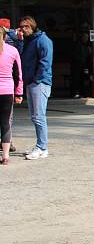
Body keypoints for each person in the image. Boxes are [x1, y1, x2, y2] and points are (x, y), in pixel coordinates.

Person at [17, 15, 53, 160]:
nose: (23, 29)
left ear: (32, 26)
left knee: (39, 117)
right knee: (35, 116)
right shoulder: (29, 40)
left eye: (26, 26)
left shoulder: (42, 40)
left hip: (40, 83)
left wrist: (37, 79)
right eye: (21, 27)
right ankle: (41, 146)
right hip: (32, 82)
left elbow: (46, 62)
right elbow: (20, 56)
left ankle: (42, 147)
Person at [0, 26, 23, 165]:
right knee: (5, 123)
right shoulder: (13, 51)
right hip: (7, 91)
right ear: (5, 37)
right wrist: (19, 93)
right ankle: (6, 156)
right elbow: (18, 74)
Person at [70, 32, 92, 98]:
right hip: (77, 66)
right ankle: (75, 93)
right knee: (76, 79)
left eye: (87, 38)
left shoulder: (87, 46)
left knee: (83, 79)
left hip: (84, 66)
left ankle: (83, 93)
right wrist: (81, 60)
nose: (86, 39)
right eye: (85, 37)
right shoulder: (77, 45)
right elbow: (74, 55)